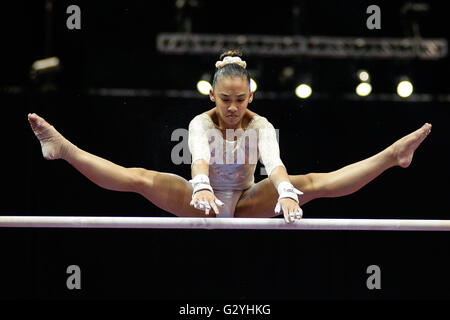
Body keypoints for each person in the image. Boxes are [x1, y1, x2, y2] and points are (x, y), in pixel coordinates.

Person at [27, 50, 432, 223]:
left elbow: (273, 164)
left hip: (245, 202)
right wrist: (200, 186)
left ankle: (391, 155)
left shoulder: (260, 126)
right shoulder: (201, 123)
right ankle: (64, 148)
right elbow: (198, 157)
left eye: (240, 99)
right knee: (141, 177)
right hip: (199, 199)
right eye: (225, 100)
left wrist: (288, 192)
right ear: (211, 95)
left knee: (313, 184)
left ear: (251, 95)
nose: (233, 107)